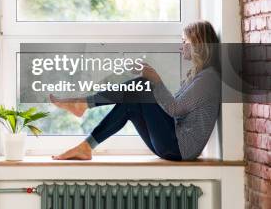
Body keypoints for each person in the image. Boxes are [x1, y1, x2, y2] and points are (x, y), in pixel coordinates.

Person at [50, 21, 221, 161]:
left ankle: (83, 104)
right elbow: (174, 109)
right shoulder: (198, 75)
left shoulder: (208, 78)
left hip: (178, 148)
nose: (181, 46)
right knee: (131, 102)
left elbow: (175, 109)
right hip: (173, 145)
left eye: (185, 42)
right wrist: (151, 76)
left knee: (141, 86)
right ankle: (86, 146)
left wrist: (154, 79)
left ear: (198, 43)